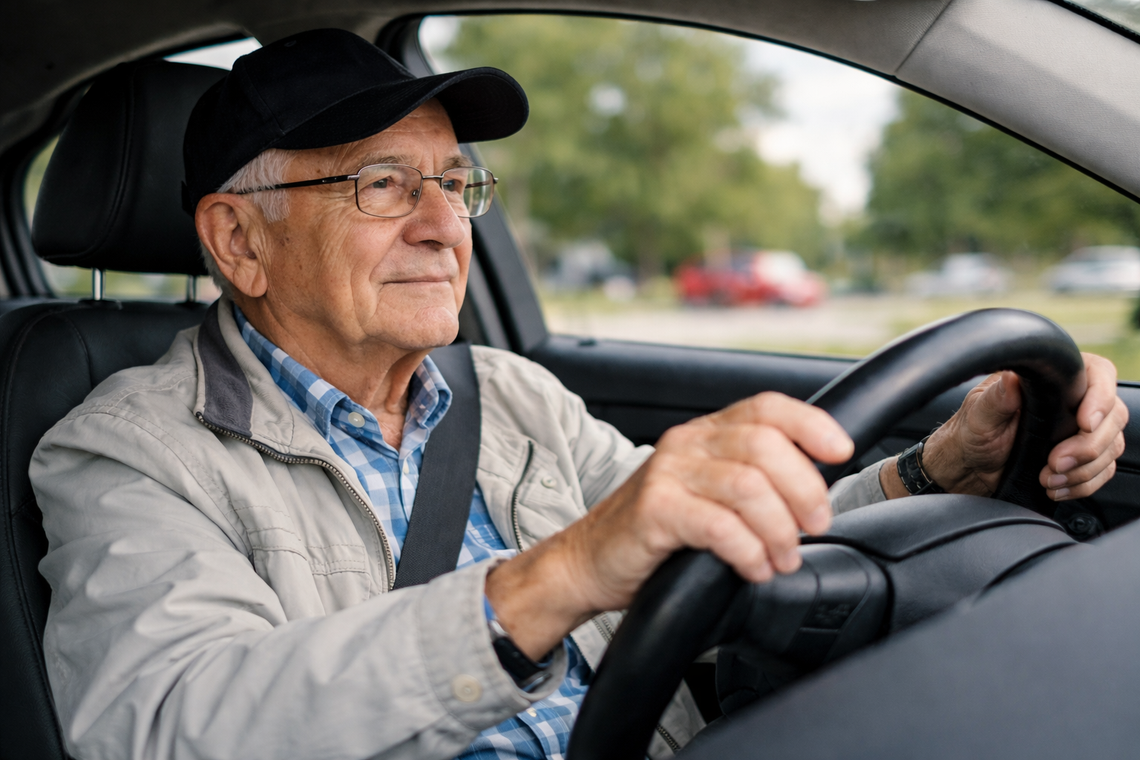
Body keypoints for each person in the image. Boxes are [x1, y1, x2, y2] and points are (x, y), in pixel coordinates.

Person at [31, 28, 1127, 760]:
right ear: (237, 239)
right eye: (380, 184)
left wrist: (934, 471)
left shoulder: (506, 392)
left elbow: (696, 554)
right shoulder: (129, 449)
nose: (443, 224)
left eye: (456, 185)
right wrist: (555, 577)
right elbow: (169, 722)